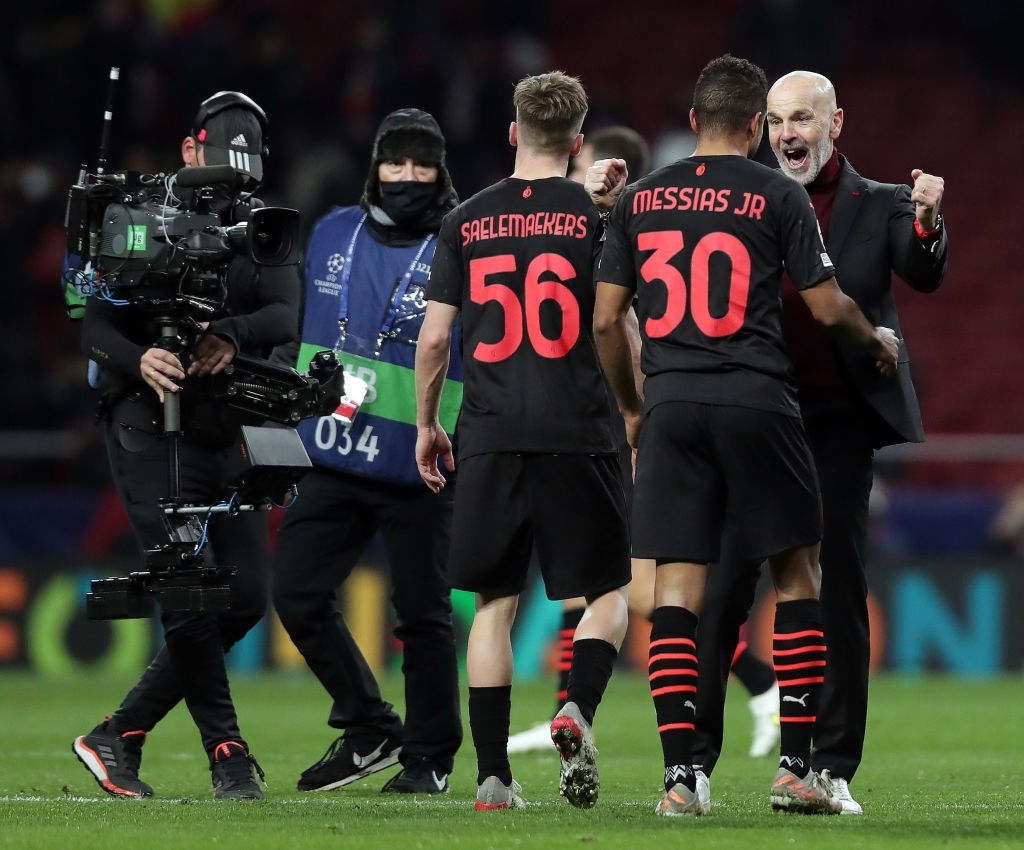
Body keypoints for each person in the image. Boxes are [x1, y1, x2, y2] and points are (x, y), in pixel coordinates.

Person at [593, 54, 899, 817]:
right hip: (759, 403)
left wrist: (634, 406)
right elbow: (829, 309)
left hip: (672, 406)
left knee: (678, 595)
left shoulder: (641, 199)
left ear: (693, 122)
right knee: (798, 577)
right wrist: (877, 344)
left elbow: (604, 319)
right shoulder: (776, 192)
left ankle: (679, 780)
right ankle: (797, 768)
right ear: (757, 126)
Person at [689, 68, 948, 815]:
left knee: (837, 595)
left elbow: (922, 272)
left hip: (833, 426)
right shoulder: (741, 199)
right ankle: (693, 764)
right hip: (750, 418)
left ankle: (829, 766)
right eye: (775, 121)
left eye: (803, 118)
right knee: (726, 591)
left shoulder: (884, 203)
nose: (788, 134)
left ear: (838, 123)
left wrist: (930, 219)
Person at [507, 124, 782, 761]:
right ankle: (566, 718)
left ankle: (762, 685)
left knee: (639, 592)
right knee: (582, 586)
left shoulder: (625, 240)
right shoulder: (600, 233)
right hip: (589, 423)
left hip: (627, 427)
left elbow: (621, 330)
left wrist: (634, 417)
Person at [414, 71, 631, 812]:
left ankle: (493, 779)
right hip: (579, 426)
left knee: (492, 608)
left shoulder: (465, 219)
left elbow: (437, 336)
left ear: (512, 133)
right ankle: (575, 708)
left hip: (490, 430)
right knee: (607, 593)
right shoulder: (595, 211)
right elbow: (615, 320)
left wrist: (426, 424)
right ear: (576, 141)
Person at [72, 91, 299, 800]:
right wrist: (138, 359)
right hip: (146, 420)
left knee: (247, 596)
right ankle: (227, 751)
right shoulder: (134, 212)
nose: (233, 188)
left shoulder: (259, 226)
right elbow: (91, 320)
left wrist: (228, 335)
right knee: (187, 585)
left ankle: (121, 732)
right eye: (220, 167)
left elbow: (285, 312)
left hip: (225, 426)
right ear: (188, 151)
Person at [271, 108, 464, 796]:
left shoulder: (460, 240)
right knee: (293, 590)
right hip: (332, 454)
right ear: (374, 168)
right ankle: (368, 723)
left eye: (421, 166)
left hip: (421, 463)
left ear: (440, 172)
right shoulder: (330, 233)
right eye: (396, 164)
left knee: (423, 617)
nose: (407, 178)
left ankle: (431, 757)